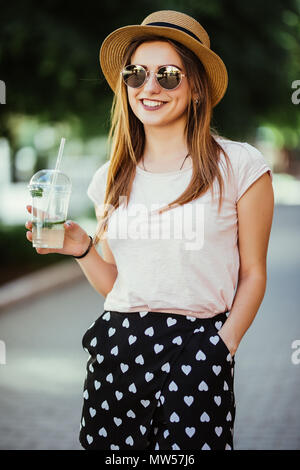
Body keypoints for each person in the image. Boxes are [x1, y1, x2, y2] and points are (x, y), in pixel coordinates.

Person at [25, 10, 274, 451]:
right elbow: (119, 287)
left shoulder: (241, 167)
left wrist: (221, 348)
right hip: (119, 346)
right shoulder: (109, 177)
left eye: (169, 75)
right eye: (136, 74)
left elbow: (254, 273)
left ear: (196, 87)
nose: (150, 87)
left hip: (199, 346)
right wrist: (83, 249)